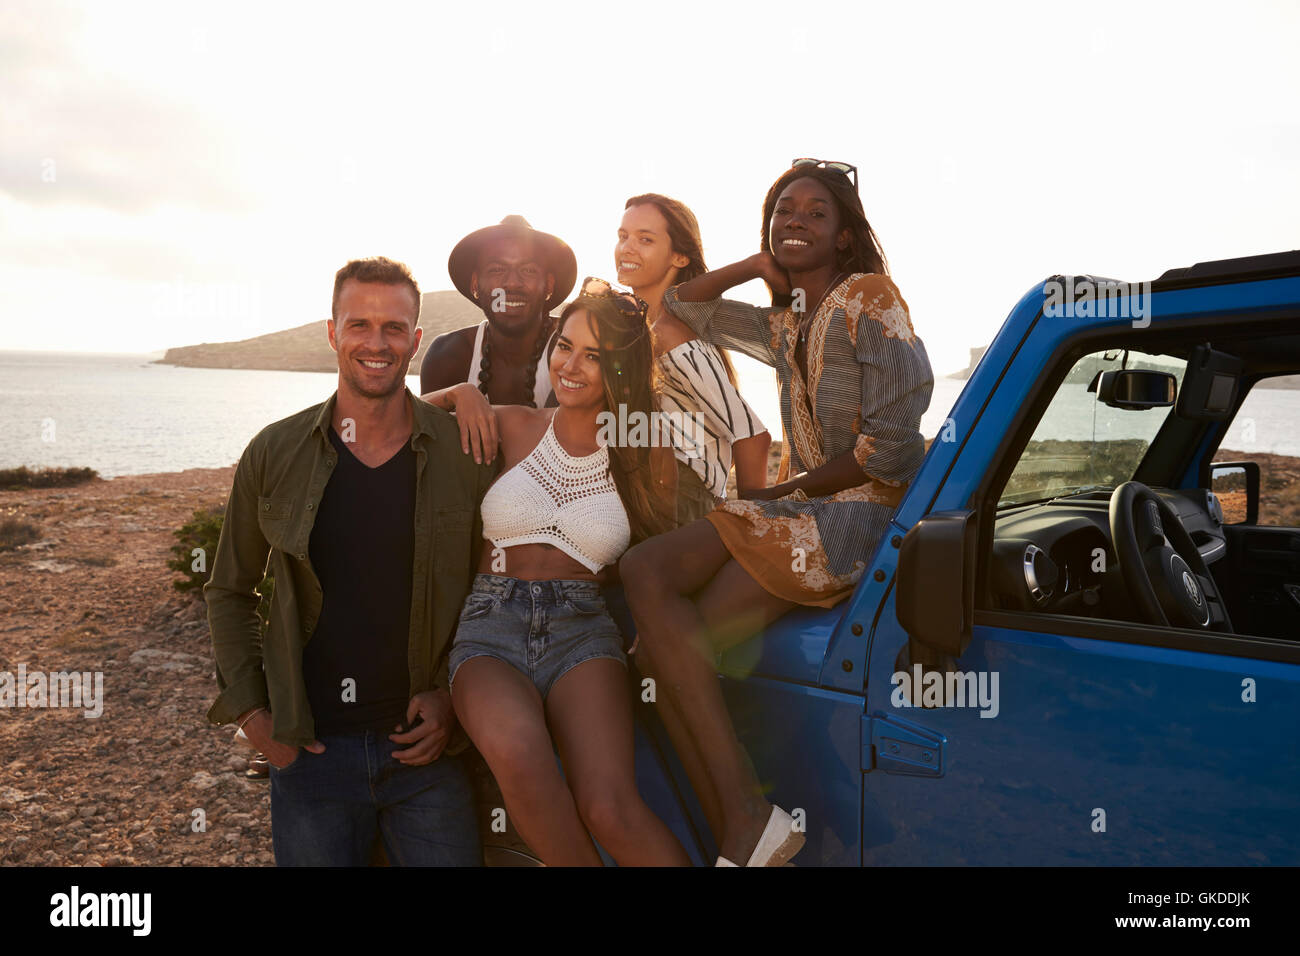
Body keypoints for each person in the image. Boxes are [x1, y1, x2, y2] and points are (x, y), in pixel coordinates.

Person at [620, 160, 934, 866]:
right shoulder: (789, 321)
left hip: (858, 515)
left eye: (815, 214)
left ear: (846, 237)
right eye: (782, 211)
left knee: (660, 603)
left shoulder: (869, 298)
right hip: (805, 510)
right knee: (666, 632)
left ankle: (743, 820)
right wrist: (761, 263)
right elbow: (682, 308)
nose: (795, 220)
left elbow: (889, 448)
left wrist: (781, 495)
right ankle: (744, 827)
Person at [205, 257, 496, 866]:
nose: (376, 342)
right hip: (310, 753)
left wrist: (449, 697)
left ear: (415, 341)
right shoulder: (274, 452)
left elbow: (489, 590)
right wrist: (254, 715)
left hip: (426, 757)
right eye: (358, 324)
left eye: (394, 328)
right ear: (332, 332)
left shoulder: (461, 451)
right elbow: (229, 590)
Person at [427, 277, 689, 866]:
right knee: (520, 753)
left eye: (595, 355)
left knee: (610, 807)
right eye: (565, 345)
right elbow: (395, 416)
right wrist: (458, 396)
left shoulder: (650, 454)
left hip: (584, 630)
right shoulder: (513, 425)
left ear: (623, 367)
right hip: (489, 626)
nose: (571, 365)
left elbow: (665, 554)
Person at [616, 194, 771, 524]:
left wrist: (746, 526)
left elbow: (752, 436)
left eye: (645, 239)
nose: (626, 248)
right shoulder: (637, 330)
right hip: (644, 495)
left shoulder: (670, 333)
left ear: (680, 257)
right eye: (623, 236)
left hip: (677, 503)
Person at [419, 215, 577, 407]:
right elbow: (425, 429)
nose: (512, 283)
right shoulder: (449, 355)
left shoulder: (572, 349)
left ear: (549, 285)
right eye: (496, 270)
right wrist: (455, 395)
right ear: (475, 284)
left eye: (528, 270)